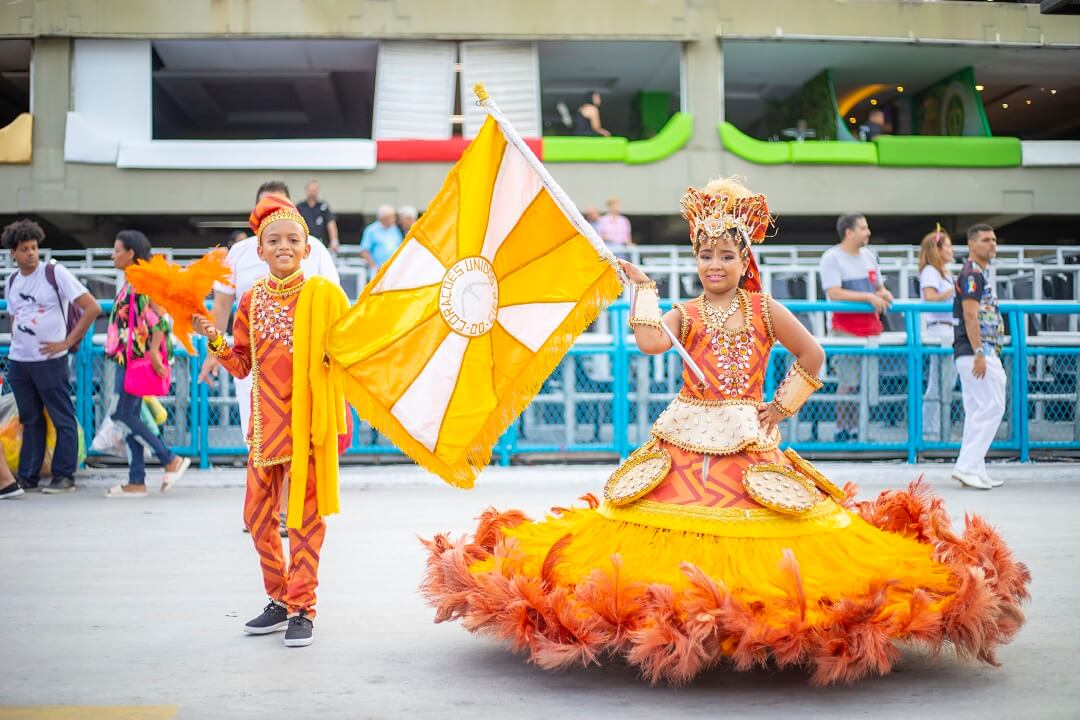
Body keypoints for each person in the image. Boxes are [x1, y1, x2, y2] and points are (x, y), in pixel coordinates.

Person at [421, 177, 1029, 684]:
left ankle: (745, 625)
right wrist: (644, 293)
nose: (714, 265)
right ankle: (686, 625)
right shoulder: (684, 312)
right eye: (705, 255)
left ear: (745, 260)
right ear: (696, 260)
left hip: (748, 440)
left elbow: (813, 357)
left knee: (775, 547)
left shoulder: (766, 310)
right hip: (683, 442)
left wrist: (780, 407)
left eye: (726, 255)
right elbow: (652, 341)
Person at [193, 195, 350, 648]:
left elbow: (349, 351)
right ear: (258, 251)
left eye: (293, 240)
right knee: (257, 518)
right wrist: (217, 342)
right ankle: (279, 599)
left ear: (307, 250)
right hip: (265, 426)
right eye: (274, 240)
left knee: (304, 523)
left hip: (309, 429)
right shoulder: (250, 300)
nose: (284, 246)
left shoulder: (323, 296)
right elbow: (242, 365)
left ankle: (303, 608)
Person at [199, 181, 341, 535]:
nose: (283, 244)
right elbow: (222, 306)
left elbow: (337, 309)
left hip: (306, 374)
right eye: (267, 212)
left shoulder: (317, 249)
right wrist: (214, 349)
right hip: (257, 372)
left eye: (291, 237)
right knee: (259, 439)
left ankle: (293, 514)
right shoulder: (242, 255)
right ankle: (265, 511)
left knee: (302, 446)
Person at [2, 219, 100, 494]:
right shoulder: (12, 280)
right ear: (13, 253)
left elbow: (90, 307)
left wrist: (67, 342)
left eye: (34, 247)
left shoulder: (54, 273)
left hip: (49, 360)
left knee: (61, 416)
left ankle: (64, 476)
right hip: (20, 361)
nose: (31, 253)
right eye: (24, 249)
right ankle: (28, 476)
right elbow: (14, 315)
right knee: (29, 418)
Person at [102, 230, 191, 497]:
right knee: (131, 416)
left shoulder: (145, 281)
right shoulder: (132, 280)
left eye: (117, 250)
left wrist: (153, 352)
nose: (113, 255)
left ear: (131, 253)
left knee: (123, 415)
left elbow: (162, 318)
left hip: (136, 360)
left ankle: (169, 458)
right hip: (127, 357)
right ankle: (137, 480)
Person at [819, 214, 893, 442]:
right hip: (847, 331)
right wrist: (870, 297)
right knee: (848, 384)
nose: (868, 232)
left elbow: (877, 286)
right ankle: (843, 430)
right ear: (849, 232)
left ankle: (858, 430)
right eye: (863, 228)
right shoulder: (832, 257)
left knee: (866, 385)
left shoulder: (870, 256)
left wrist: (883, 293)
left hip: (872, 331)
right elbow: (834, 292)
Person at [952, 224, 1006, 490]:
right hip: (977, 351)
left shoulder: (979, 273)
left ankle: (976, 468)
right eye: (985, 240)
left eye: (994, 239)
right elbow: (970, 315)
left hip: (975, 352)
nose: (991, 244)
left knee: (978, 411)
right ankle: (966, 466)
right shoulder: (973, 274)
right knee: (992, 407)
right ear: (972, 244)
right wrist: (980, 352)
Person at [918, 225, 956, 441]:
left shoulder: (944, 272)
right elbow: (930, 297)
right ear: (937, 249)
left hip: (950, 328)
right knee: (938, 383)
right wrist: (955, 290)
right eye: (948, 246)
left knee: (947, 382)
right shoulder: (931, 271)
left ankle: (941, 430)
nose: (951, 250)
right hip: (939, 329)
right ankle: (931, 431)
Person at [297, 180, 340, 252]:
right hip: (304, 244)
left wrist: (334, 240)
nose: (312, 192)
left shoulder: (324, 206)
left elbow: (331, 224)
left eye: (314, 190)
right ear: (306, 191)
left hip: (321, 244)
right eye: (311, 190)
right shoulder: (300, 207)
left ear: (318, 191)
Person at [359, 205, 403, 273]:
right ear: (384, 218)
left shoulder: (395, 230)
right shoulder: (371, 230)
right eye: (392, 217)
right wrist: (373, 266)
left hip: (394, 269)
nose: (394, 219)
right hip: (378, 270)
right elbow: (364, 251)